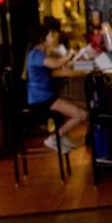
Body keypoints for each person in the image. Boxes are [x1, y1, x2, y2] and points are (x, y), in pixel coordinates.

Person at [24, 22, 87, 152]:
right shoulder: (36, 54)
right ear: (42, 39)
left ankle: (62, 138)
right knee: (81, 115)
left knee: (81, 106)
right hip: (41, 99)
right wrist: (69, 55)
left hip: (44, 96)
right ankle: (54, 138)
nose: (52, 38)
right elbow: (54, 64)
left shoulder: (37, 53)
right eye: (50, 36)